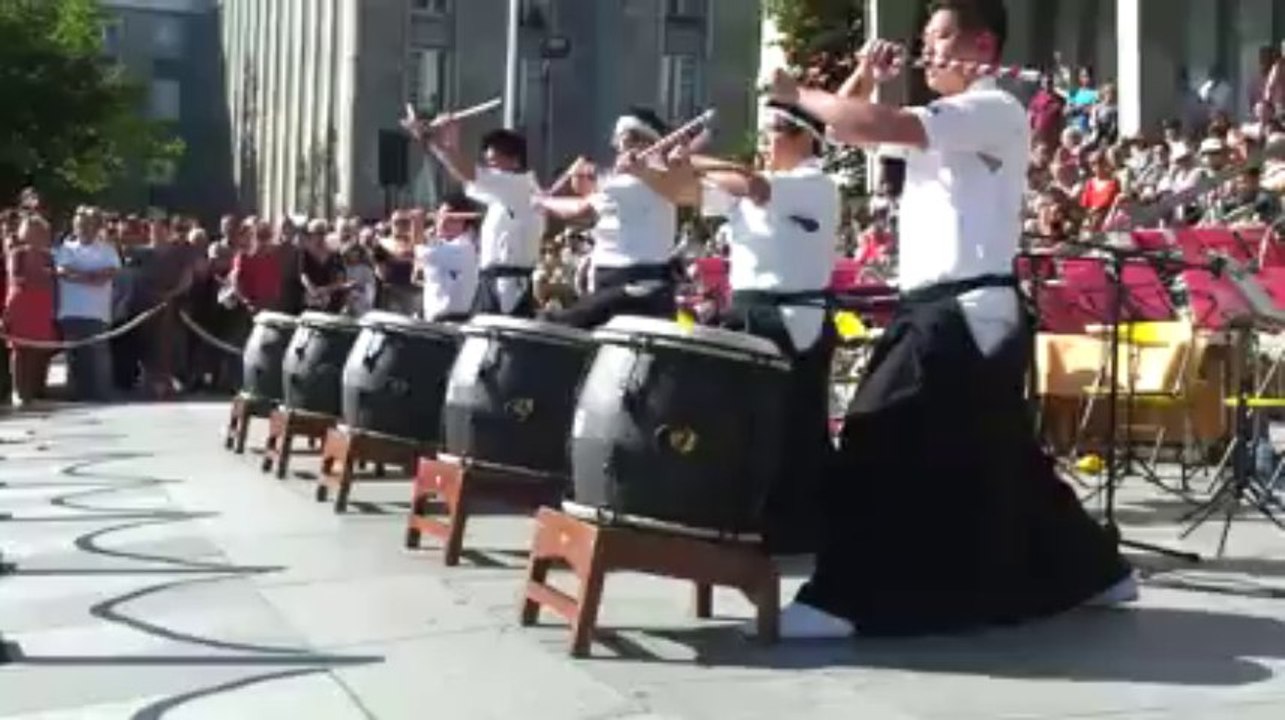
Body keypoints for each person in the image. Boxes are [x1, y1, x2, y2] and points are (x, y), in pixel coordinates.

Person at [762, 0, 1132, 639]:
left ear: (982, 45)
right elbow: (852, 130)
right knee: (1004, 455)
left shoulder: (991, 107)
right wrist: (855, 80)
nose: (926, 51)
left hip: (962, 309)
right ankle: (1097, 570)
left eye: (938, 38)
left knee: (878, 431)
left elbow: (881, 122)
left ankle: (844, 598)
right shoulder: (947, 119)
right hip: (947, 309)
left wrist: (803, 92)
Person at [661, 99, 841, 555]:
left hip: (790, 315)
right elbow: (685, 194)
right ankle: (746, 516)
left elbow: (754, 186)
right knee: (742, 424)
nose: (765, 140)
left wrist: (695, 157)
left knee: (792, 425)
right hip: (748, 309)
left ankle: (798, 527)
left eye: (775, 130)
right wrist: (658, 166)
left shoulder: (814, 183)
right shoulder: (759, 187)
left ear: (805, 137)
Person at [536, 108, 687, 329]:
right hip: (637, 286)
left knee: (557, 326)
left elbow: (580, 209)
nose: (616, 145)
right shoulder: (658, 181)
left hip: (631, 286)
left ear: (644, 143)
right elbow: (592, 201)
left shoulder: (636, 181)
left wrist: (540, 202)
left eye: (622, 140)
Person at [404, 112, 545, 317]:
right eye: (488, 163)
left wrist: (430, 138)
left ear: (515, 161)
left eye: (494, 163)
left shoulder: (519, 186)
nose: (490, 169)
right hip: (494, 282)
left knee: (499, 342)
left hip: (508, 285)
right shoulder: (504, 195)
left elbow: (468, 172)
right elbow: (465, 176)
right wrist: (450, 137)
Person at [53, 208, 120, 402]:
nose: (83, 229)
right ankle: (76, 394)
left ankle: (100, 393)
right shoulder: (66, 248)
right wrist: (89, 276)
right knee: (74, 356)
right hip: (71, 310)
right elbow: (63, 271)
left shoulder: (107, 249)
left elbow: (109, 273)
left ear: (96, 227)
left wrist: (81, 275)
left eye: (88, 225)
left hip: (97, 312)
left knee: (98, 354)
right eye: (80, 225)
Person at [4, 215, 56, 407]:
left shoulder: (48, 256)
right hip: (21, 304)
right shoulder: (18, 254)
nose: (35, 236)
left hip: (41, 306)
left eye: (39, 232)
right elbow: (18, 279)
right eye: (31, 231)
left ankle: (30, 391)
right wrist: (42, 277)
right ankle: (17, 391)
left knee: (36, 349)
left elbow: (52, 282)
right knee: (19, 350)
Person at [418, 193, 482, 322]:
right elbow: (417, 275)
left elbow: (418, 252)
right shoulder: (441, 245)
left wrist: (416, 224)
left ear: (465, 222)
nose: (442, 221)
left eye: (450, 217)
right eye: (440, 216)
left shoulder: (464, 246)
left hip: (452, 321)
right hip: (433, 319)